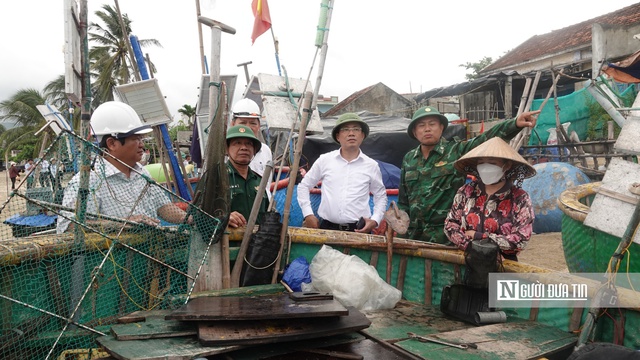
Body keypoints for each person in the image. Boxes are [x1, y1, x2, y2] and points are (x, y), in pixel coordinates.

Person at [398, 106, 539, 244]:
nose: (427, 129)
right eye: (421, 125)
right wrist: (398, 224)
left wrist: (514, 124)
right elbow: (403, 200)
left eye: (432, 124)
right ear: (415, 132)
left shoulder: (456, 151)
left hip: (446, 237)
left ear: (441, 127)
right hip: (414, 237)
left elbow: (486, 139)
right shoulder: (409, 159)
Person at [57, 101, 190, 233]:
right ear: (112, 143)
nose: (142, 145)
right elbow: (70, 227)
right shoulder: (87, 182)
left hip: (149, 251)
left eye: (141, 139)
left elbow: (163, 207)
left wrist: (189, 218)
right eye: (136, 139)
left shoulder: (142, 173)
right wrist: (122, 223)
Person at [444, 137, 536, 261]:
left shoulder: (519, 197)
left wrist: (480, 237)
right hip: (467, 258)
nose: (485, 167)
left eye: (492, 163)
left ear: (507, 166)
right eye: (481, 163)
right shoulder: (466, 191)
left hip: (503, 264)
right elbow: (450, 224)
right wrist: (470, 246)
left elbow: (521, 238)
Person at [297, 112, 387, 233]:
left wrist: (375, 220)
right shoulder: (325, 160)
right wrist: (308, 214)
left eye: (356, 129)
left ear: (362, 136)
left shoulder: (371, 165)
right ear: (338, 136)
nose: (351, 133)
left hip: (359, 230)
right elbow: (303, 186)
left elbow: (380, 195)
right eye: (345, 129)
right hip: (327, 229)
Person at [225, 124, 268, 228]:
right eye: (237, 143)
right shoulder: (217, 177)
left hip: (256, 242)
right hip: (227, 242)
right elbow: (200, 214)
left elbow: (266, 214)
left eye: (248, 144)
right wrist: (225, 218)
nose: (244, 148)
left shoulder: (258, 180)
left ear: (254, 150)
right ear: (227, 149)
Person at [230, 98, 273, 195]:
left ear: (258, 126)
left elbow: (267, 184)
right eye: (243, 123)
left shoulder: (265, 150)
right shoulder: (225, 151)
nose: (248, 127)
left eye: (253, 123)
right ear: (233, 124)